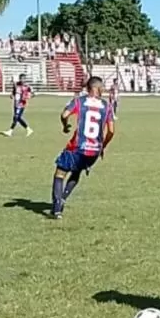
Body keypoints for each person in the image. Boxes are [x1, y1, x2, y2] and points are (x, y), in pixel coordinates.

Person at [50, 77, 115, 219]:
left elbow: (64, 114)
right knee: (77, 171)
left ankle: (57, 208)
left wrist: (65, 125)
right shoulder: (107, 106)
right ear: (99, 88)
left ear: (88, 88)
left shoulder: (80, 101)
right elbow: (111, 131)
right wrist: (103, 146)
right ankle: (64, 198)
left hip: (77, 147)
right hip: (94, 151)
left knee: (60, 173)